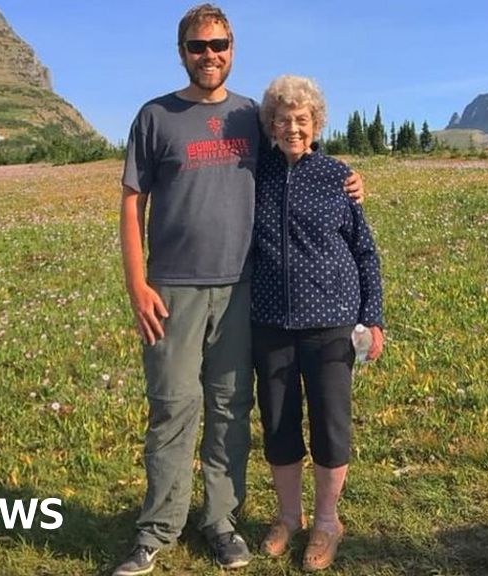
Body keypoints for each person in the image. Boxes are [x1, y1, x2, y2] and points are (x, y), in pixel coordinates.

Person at [112, 6, 363, 575]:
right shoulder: (155, 117)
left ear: (232, 48)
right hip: (171, 290)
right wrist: (137, 284)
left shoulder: (251, 116)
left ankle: (221, 521)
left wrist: (346, 177)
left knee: (230, 409)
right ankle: (157, 529)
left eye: (219, 44)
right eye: (198, 46)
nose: (209, 55)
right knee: (173, 408)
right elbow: (132, 202)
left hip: (241, 291)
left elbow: (297, 150)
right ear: (182, 51)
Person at [251, 75, 385, 572]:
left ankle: (327, 522)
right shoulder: (255, 173)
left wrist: (372, 318)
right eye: (283, 120)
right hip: (269, 322)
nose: (292, 128)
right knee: (279, 424)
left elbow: (365, 252)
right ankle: (289, 517)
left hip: (331, 323)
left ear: (316, 124)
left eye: (301, 120)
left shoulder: (336, 175)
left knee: (331, 425)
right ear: (269, 125)